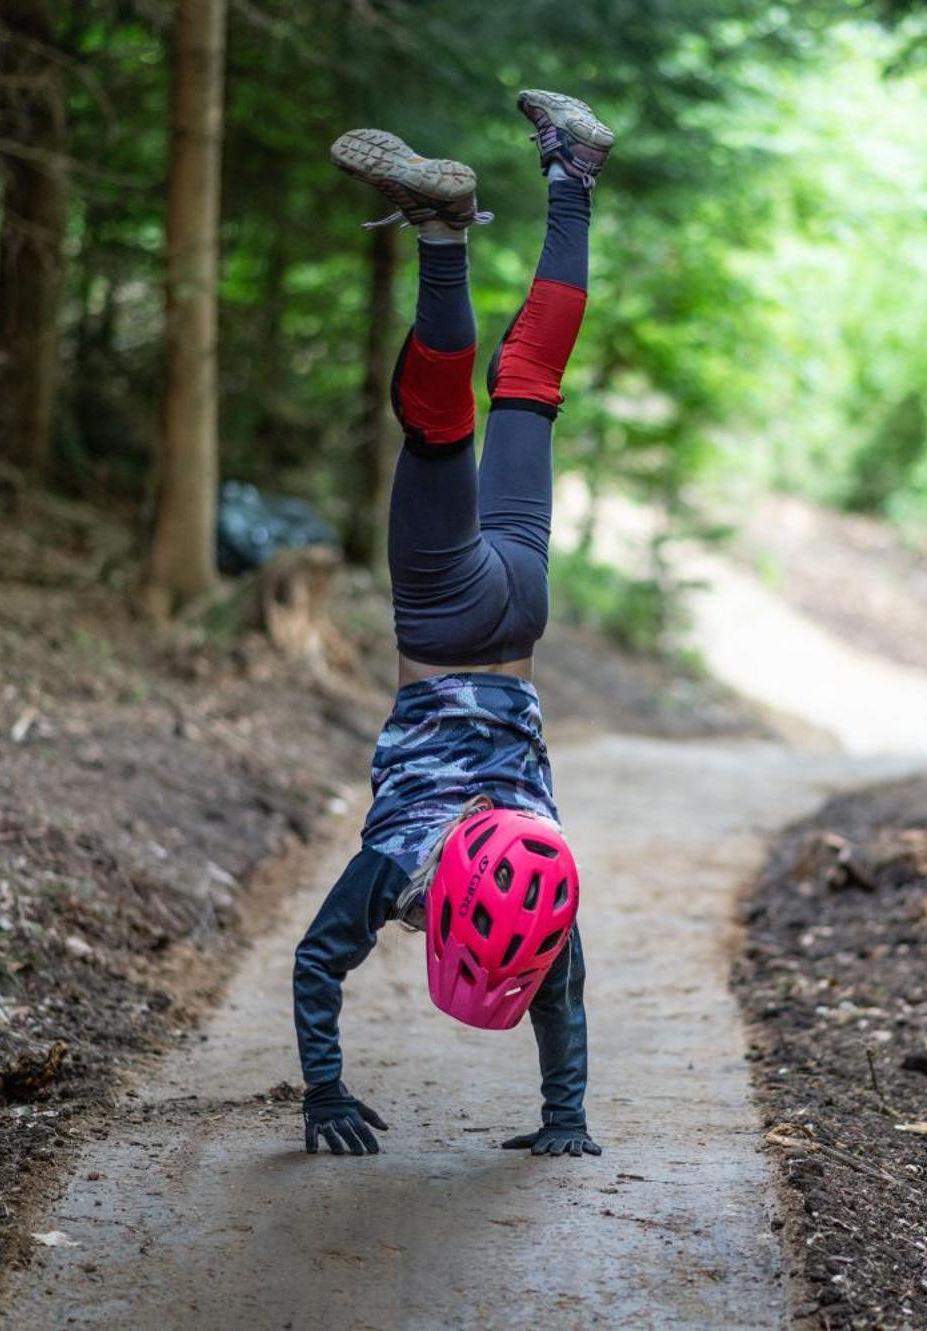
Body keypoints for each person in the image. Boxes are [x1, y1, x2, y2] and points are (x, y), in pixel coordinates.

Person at [291, 91, 615, 1160]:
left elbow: (560, 994)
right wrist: (322, 1093)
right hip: (447, 621)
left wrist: (569, 1117)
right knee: (437, 430)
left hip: (523, 607)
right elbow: (315, 962)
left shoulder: (542, 863)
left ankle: (571, 172)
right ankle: (442, 231)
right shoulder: (395, 860)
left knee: (530, 387)